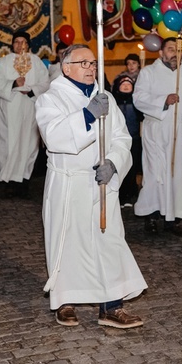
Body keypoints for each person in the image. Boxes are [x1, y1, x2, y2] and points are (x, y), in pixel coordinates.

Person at [35, 44, 147, 329]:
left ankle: (111, 306)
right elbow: (54, 136)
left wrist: (113, 163)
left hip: (102, 184)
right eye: (83, 63)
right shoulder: (51, 99)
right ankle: (66, 300)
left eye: (93, 63)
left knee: (109, 242)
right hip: (69, 184)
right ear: (66, 67)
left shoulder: (105, 97)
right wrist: (87, 116)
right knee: (69, 243)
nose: (90, 68)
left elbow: (123, 138)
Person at [132, 37, 182, 235]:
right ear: (161, 53)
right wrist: (163, 101)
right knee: (156, 175)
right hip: (157, 134)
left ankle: (173, 220)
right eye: (170, 49)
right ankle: (152, 216)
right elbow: (138, 98)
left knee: (179, 176)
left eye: (177, 50)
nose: (174, 53)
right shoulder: (149, 73)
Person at [0, 30, 49, 197]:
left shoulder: (36, 62)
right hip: (9, 106)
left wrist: (31, 91)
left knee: (28, 144)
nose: (20, 45)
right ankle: (8, 180)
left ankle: (23, 180)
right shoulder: (3, 62)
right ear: (12, 44)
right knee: (7, 143)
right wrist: (14, 83)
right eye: (17, 42)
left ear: (28, 44)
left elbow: (45, 83)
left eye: (23, 42)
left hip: (28, 107)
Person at [111, 73, 142, 208]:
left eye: (128, 85)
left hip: (134, 139)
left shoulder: (136, 103)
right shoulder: (114, 103)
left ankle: (131, 193)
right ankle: (120, 194)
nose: (126, 86)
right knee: (120, 166)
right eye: (123, 85)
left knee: (132, 167)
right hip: (118, 140)